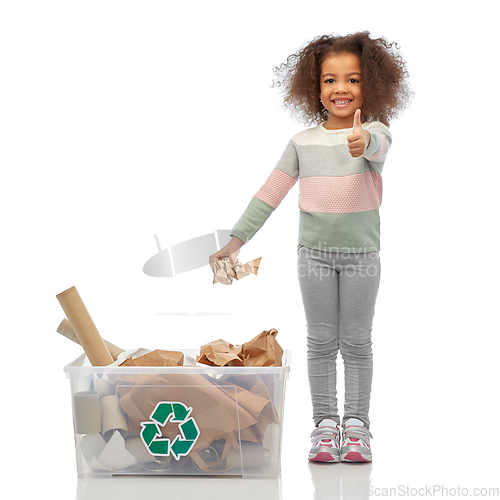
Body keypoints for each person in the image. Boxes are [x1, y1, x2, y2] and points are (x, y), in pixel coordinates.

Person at [209, 31, 412, 463]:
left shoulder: (374, 132)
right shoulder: (302, 142)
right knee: (321, 341)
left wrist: (364, 143)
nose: (341, 89)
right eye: (330, 81)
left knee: (356, 342)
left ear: (371, 85)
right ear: (315, 87)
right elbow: (270, 193)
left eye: (353, 80)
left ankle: (356, 427)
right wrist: (235, 241)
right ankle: (324, 426)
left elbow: (377, 146)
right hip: (314, 257)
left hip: (362, 259)